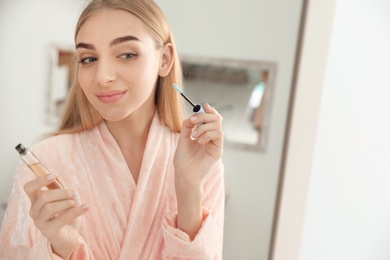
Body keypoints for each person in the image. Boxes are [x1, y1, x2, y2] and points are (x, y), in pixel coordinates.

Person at [0, 0, 225, 259]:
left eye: (127, 54)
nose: (102, 76)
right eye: (89, 58)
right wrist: (61, 248)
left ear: (164, 59)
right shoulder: (44, 162)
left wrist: (187, 187)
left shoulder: (202, 164)